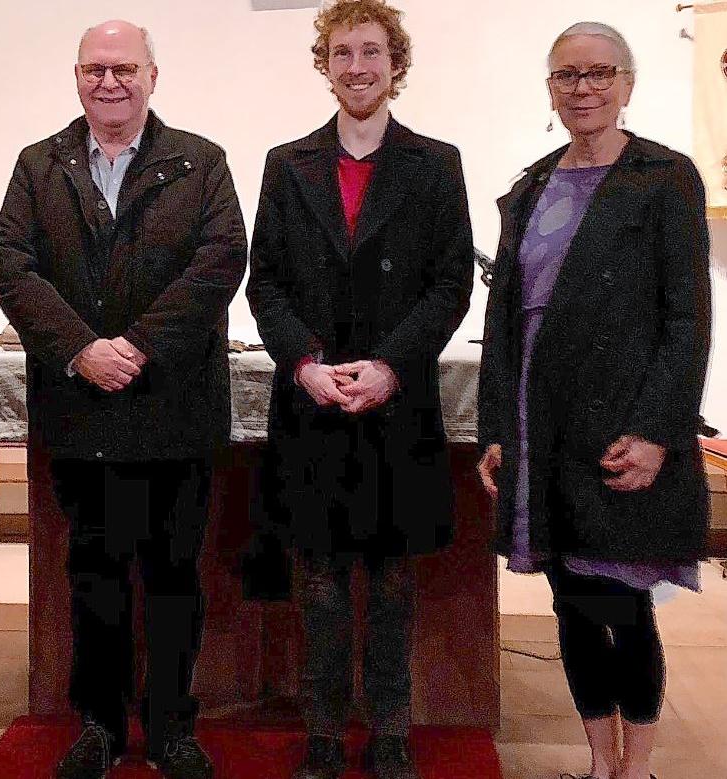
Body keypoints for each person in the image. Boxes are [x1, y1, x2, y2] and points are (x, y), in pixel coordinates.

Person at [0, 19, 247, 779]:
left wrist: (135, 345)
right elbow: (12, 266)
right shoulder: (40, 166)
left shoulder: (201, 162)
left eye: (125, 68)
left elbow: (220, 260)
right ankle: (98, 725)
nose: (111, 81)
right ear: (76, 77)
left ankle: (171, 726)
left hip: (174, 406)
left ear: (152, 76)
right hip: (81, 410)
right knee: (94, 575)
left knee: (175, 574)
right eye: (96, 68)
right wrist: (80, 348)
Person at [477, 21, 711, 779]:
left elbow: (687, 319)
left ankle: (632, 769)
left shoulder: (664, 177)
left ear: (626, 84)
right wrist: (494, 428)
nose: (583, 88)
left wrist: (657, 430)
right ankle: (595, 760)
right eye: (567, 76)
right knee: (570, 603)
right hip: (538, 420)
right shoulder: (531, 185)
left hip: (618, 423)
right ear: (550, 90)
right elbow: (503, 319)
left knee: (621, 602)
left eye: (598, 73)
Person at [245, 2, 474, 777]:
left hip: (395, 404)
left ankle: (391, 731)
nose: (357, 67)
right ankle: (320, 733)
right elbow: (264, 280)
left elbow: (449, 285)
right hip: (313, 402)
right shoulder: (288, 162)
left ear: (395, 62)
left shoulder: (436, 162)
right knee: (318, 579)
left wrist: (390, 365)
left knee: (391, 578)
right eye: (342, 53)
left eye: (371, 52)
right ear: (326, 64)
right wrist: (305, 362)